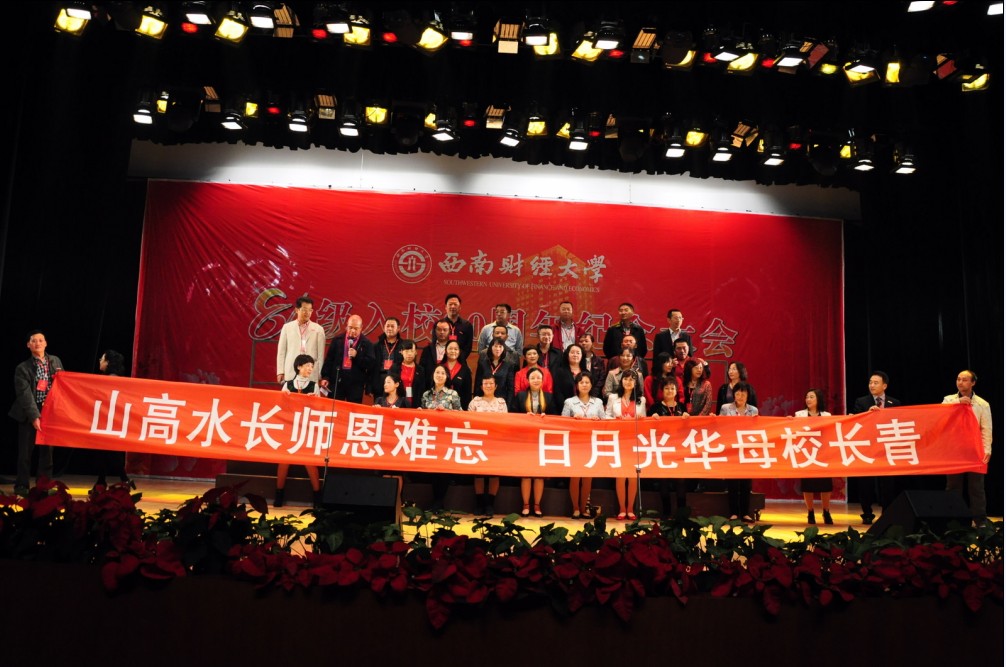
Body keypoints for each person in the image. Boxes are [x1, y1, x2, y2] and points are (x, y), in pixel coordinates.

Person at [9, 331, 63, 496]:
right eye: (34, 341)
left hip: (50, 411)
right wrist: (34, 416)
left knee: (48, 452)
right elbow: (24, 395)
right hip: (29, 411)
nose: (37, 343)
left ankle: (44, 485)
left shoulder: (55, 361)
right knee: (25, 452)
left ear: (46, 343)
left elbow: (62, 384)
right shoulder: (23, 368)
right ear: (28, 345)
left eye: (40, 340)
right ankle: (22, 485)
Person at [851, 370, 901, 525]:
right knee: (865, 482)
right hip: (867, 448)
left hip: (887, 448)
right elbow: (855, 422)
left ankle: (887, 513)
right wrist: (867, 414)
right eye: (870, 382)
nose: (872, 385)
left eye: (876, 383)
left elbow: (900, 422)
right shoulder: (861, 401)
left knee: (888, 483)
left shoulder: (895, 403)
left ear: (884, 386)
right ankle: (867, 513)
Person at [943, 370, 993, 525]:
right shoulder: (949, 399)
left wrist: (987, 450)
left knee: (976, 487)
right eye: (958, 379)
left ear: (973, 383)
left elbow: (986, 429)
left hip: (975, 450)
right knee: (953, 487)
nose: (960, 382)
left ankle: (980, 521)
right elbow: (940, 415)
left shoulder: (982, 404)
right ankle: (953, 521)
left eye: (965, 380)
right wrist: (958, 403)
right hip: (954, 450)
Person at [276, 354, 322, 508]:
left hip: (306, 428)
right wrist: (285, 399)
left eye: (312, 366)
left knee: (310, 462)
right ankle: (279, 494)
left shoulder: (314, 386)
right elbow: (280, 406)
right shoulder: (287, 385)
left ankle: (317, 496)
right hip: (289, 428)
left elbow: (318, 409)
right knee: (284, 461)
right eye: (307, 365)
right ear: (298, 367)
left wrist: (314, 401)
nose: (310, 369)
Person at [562, 372, 607, 519]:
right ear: (577, 385)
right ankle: (575, 508)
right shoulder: (569, 402)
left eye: (587, 382)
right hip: (574, 444)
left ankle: (583, 508)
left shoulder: (598, 402)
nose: (584, 385)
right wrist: (572, 420)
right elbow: (561, 423)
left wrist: (598, 420)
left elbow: (605, 423)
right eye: (581, 382)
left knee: (588, 477)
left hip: (592, 445)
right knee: (575, 477)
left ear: (591, 385)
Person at [512, 367, 555, 517]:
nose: (536, 380)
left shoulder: (549, 397)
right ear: (527, 380)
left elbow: (556, 416)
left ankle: (537, 505)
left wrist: (546, 417)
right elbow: (513, 414)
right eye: (533, 378)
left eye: (538, 378)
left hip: (542, 440)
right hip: (525, 439)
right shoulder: (521, 396)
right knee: (526, 473)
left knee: (539, 474)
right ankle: (525, 505)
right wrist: (525, 417)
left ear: (543, 380)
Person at [605, 370, 646, 520]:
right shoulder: (613, 397)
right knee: (620, 475)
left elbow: (645, 420)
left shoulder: (641, 399)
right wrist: (615, 419)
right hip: (618, 440)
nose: (628, 382)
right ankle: (622, 509)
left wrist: (640, 418)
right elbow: (606, 416)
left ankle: (631, 509)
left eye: (631, 379)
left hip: (634, 441)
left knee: (633, 475)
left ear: (636, 383)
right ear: (621, 381)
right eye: (626, 379)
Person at [468, 375, 509, 517]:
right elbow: (468, 420)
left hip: (495, 442)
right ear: (481, 386)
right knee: (478, 473)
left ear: (496, 386)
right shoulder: (475, 401)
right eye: (485, 383)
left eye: (491, 383)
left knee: (494, 474)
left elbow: (505, 422)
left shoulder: (501, 402)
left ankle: (490, 504)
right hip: (478, 441)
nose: (488, 386)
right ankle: (479, 503)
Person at [648, 377, 690, 515]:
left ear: (677, 391)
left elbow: (689, 429)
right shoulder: (655, 408)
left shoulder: (682, 407)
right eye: (667, 388)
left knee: (681, 481)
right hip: (662, 449)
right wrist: (652, 419)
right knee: (664, 481)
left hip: (679, 449)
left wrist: (687, 419)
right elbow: (647, 427)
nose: (670, 391)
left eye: (672, 388)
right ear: (662, 390)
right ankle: (666, 513)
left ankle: (681, 514)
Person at [94, 350, 134, 490]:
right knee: (104, 452)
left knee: (109, 452)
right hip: (110, 419)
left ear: (108, 363)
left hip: (109, 420)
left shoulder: (110, 379)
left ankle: (124, 480)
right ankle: (101, 482)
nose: (100, 361)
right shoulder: (114, 378)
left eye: (102, 359)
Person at [719, 382, 758, 522]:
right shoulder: (726, 408)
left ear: (748, 395)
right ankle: (734, 513)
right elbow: (719, 425)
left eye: (743, 393)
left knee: (746, 484)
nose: (740, 396)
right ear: (733, 395)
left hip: (747, 450)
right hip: (731, 449)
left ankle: (745, 513)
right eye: (737, 393)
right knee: (733, 483)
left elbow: (758, 429)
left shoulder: (753, 410)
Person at [795, 389, 833, 525]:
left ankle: (826, 511)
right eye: (807, 397)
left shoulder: (827, 415)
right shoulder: (799, 415)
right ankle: (810, 512)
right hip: (807, 453)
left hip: (823, 454)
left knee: (825, 485)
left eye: (811, 397)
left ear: (818, 399)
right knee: (808, 485)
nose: (808, 399)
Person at [320, 314, 374, 403]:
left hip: (355, 384)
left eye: (356, 328)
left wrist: (357, 356)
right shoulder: (337, 340)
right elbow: (329, 360)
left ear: (361, 328)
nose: (352, 331)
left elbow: (370, 365)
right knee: (334, 407)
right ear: (346, 326)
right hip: (337, 381)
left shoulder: (367, 344)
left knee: (353, 409)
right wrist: (325, 377)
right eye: (350, 327)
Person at [276, 296, 326, 384]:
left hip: (311, 373)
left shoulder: (318, 329)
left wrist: (320, 375)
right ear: (297, 310)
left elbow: (320, 355)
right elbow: (281, 351)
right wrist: (280, 371)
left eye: (310, 310)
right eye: (304, 309)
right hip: (291, 371)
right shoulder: (287, 327)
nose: (307, 313)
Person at [473, 337, 516, 401]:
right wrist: (476, 400)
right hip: (484, 400)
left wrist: (508, 405)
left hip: (501, 400)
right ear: (491, 347)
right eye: (495, 346)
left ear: (504, 348)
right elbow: (477, 384)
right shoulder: (483, 364)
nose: (498, 349)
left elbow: (511, 388)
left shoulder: (509, 365)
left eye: (500, 346)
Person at [370, 317, 403, 397]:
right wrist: (369, 387)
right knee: (378, 403)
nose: (389, 328)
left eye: (392, 326)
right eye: (387, 326)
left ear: (398, 328)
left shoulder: (403, 346)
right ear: (384, 327)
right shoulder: (376, 346)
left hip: (395, 382)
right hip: (379, 381)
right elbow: (371, 368)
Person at [389, 339, 426, 408]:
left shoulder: (420, 370)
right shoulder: (395, 368)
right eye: (406, 351)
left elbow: (422, 389)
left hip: (415, 404)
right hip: (397, 404)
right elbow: (389, 386)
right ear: (401, 352)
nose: (409, 354)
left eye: (412, 351)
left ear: (416, 352)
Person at [442, 340, 473, 409]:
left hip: (459, 408)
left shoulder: (465, 370)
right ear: (445, 351)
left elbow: (467, 394)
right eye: (450, 348)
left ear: (459, 352)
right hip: (441, 407)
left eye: (456, 349)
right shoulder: (440, 368)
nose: (453, 351)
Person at [419, 318, 453, 383]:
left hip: (448, 384)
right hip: (430, 384)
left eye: (445, 330)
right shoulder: (427, 349)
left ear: (449, 331)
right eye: (439, 329)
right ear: (435, 331)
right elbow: (421, 370)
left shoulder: (454, 350)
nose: (442, 332)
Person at [443, 293, 474, 361]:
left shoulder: (467, 325)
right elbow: (436, 344)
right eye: (450, 304)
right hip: (442, 361)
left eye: (455, 304)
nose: (453, 306)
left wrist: (459, 359)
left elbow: (468, 347)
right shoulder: (440, 325)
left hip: (460, 362)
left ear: (460, 308)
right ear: (446, 307)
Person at [578, 332, 606, 398]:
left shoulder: (599, 360)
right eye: (581, 341)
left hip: (596, 394)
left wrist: (594, 392)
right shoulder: (577, 360)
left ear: (592, 343)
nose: (583, 343)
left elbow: (602, 378)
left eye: (586, 341)